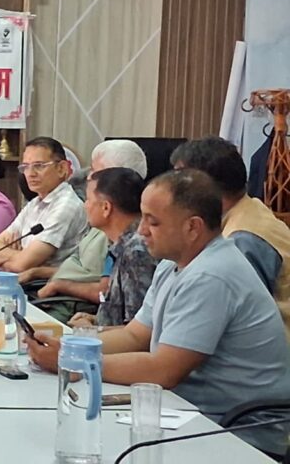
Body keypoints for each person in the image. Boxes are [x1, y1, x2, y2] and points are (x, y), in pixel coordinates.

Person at [26, 170, 290, 457]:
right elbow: (135, 335)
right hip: (191, 414)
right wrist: (69, 347)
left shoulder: (212, 275)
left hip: (239, 433)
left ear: (193, 227)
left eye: (153, 222)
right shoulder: (172, 264)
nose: (141, 231)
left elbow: (164, 370)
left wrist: (76, 364)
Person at [170, 136, 290, 336]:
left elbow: (236, 316)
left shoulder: (242, 239)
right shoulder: (250, 208)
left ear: (205, 187)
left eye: (180, 182)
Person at [37, 168, 157, 327]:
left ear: (106, 208)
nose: (85, 206)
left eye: (88, 200)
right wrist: (95, 319)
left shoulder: (136, 252)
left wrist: (93, 330)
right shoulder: (119, 245)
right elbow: (120, 315)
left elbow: (137, 330)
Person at [0, 137, 87, 273]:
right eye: (25, 167)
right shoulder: (34, 203)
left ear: (61, 168)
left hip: (45, 284)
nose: (30, 174)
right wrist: (22, 256)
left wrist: (15, 257)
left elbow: (20, 265)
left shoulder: (66, 205)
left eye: (39, 166)